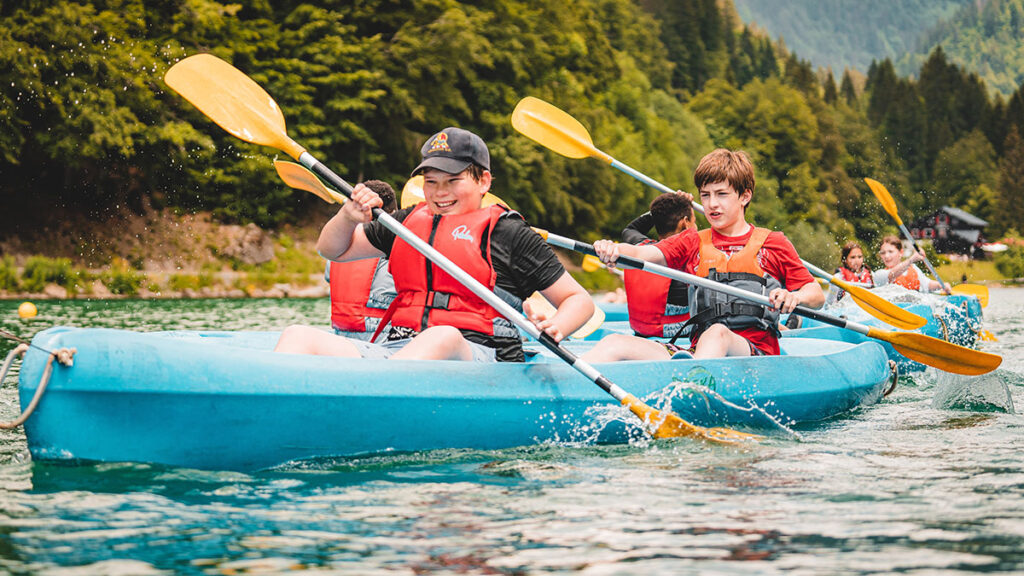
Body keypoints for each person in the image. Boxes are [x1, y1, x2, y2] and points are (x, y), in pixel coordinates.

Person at [274, 126, 594, 362]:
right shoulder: (406, 223)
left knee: (442, 337)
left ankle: (373, 402)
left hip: (478, 356)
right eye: (430, 182)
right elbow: (332, 249)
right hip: (397, 350)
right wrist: (348, 216)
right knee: (297, 336)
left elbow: (578, 300)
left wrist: (556, 327)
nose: (440, 192)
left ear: (483, 181)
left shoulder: (510, 234)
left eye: (453, 181)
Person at [580, 148, 823, 362]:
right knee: (615, 343)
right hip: (698, 353)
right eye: (705, 195)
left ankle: (688, 392)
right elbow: (641, 252)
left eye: (721, 194)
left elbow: (816, 294)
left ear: (745, 196)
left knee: (718, 333)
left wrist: (794, 297)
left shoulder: (773, 243)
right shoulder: (693, 240)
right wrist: (613, 249)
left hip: (755, 354)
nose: (712, 204)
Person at [326, 180, 398, 340]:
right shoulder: (391, 246)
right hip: (383, 335)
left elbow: (328, 277)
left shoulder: (340, 249)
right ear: (393, 214)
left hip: (341, 333)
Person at [619, 192, 697, 337]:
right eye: (694, 221)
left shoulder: (640, 248)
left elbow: (630, 229)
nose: (696, 226)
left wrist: (657, 213)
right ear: (685, 223)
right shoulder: (691, 260)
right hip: (678, 333)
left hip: (640, 329)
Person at [872, 235, 944, 293]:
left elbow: (927, 284)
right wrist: (912, 259)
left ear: (901, 253)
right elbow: (892, 275)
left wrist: (941, 285)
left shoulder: (913, 268)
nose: (886, 256)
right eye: (883, 253)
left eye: (890, 252)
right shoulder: (879, 275)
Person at [826, 240, 873, 305]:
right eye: (853, 257)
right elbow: (829, 304)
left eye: (859, 257)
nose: (857, 260)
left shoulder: (871, 275)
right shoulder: (838, 277)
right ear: (845, 260)